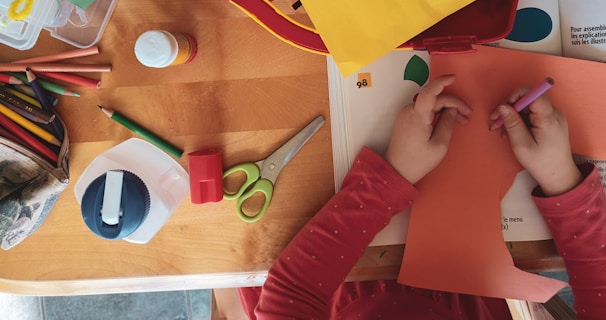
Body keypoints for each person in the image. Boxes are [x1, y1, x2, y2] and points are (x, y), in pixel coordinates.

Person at [237, 75, 606, 319]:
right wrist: (562, 181)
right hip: (468, 288)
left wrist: (389, 178)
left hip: (336, 280)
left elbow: (292, 291)